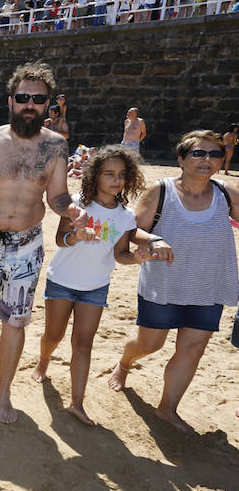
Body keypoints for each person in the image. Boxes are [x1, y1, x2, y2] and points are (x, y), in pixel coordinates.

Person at [0, 61, 88, 424]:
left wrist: (72, 210)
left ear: (48, 105)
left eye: (37, 99)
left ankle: (4, 390)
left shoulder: (56, 146)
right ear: (11, 101)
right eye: (23, 97)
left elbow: (57, 196)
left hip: (27, 244)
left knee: (17, 319)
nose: (29, 104)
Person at [108, 130, 239, 432]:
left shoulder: (226, 193)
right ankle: (125, 363)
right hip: (164, 285)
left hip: (209, 287)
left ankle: (167, 409)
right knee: (149, 344)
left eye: (214, 154)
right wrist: (154, 239)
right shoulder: (161, 190)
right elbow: (132, 231)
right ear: (181, 159)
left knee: (192, 348)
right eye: (198, 153)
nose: (207, 159)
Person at [31, 146, 173, 425]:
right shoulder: (75, 205)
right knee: (54, 335)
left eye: (121, 174)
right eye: (109, 174)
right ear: (95, 175)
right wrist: (76, 236)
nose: (116, 180)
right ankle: (43, 361)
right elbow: (60, 239)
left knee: (83, 344)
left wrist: (137, 258)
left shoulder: (125, 216)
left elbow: (120, 253)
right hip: (61, 280)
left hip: (96, 286)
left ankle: (77, 403)